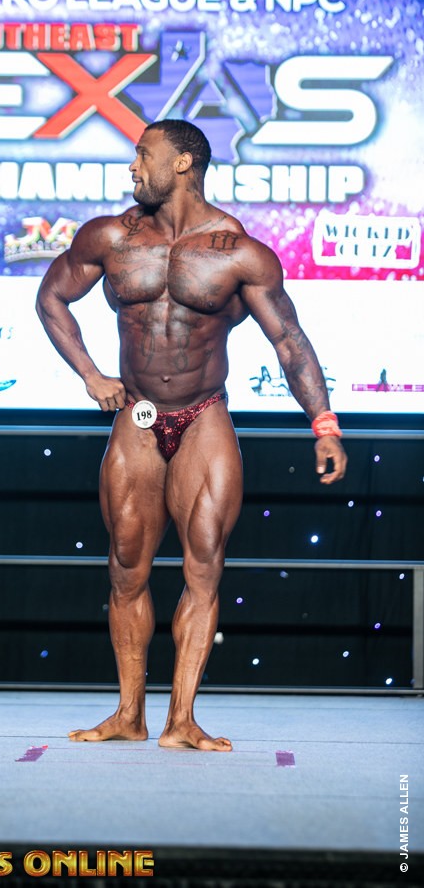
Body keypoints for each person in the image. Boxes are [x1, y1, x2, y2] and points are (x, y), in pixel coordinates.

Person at [36, 119, 347, 752]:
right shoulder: (109, 236)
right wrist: (91, 374)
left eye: (142, 154)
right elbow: (51, 298)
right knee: (126, 567)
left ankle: (182, 720)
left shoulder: (240, 252)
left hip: (204, 415)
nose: (132, 167)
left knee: (203, 566)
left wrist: (324, 424)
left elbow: (289, 342)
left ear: (182, 163)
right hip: (137, 416)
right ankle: (129, 714)